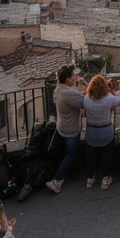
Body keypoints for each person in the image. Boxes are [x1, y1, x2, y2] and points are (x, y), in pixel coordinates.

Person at [46, 64, 85, 194]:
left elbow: (72, 92)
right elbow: (85, 103)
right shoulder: (70, 93)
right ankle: (56, 181)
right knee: (71, 155)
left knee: (65, 153)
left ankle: (60, 175)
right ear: (67, 79)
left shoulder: (59, 88)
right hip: (70, 128)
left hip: (61, 125)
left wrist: (75, 84)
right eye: (73, 75)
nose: (75, 76)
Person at [81, 74, 120, 190]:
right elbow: (119, 101)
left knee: (91, 156)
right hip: (105, 130)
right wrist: (118, 89)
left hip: (91, 131)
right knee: (107, 155)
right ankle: (105, 179)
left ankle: (90, 178)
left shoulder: (86, 99)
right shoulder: (108, 98)